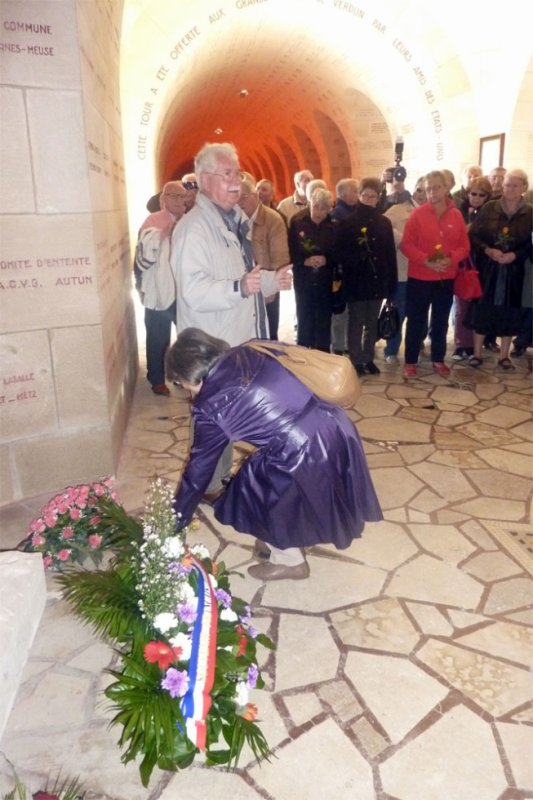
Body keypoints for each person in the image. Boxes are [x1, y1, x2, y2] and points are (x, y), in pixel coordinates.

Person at [167, 328, 383, 581]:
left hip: (303, 449)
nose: (182, 388)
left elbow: (198, 473)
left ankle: (290, 561)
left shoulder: (210, 406)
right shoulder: (249, 349)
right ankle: (278, 536)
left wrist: (175, 522)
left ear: (187, 374)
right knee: (276, 485)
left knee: (253, 488)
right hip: (334, 424)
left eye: (179, 383)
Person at [171, 142, 292, 495]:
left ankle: (218, 479)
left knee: (228, 417)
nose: (237, 183)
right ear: (205, 179)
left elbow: (242, 276)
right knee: (211, 422)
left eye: (237, 174)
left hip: (235, 340)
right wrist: (240, 287)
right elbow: (193, 290)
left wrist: (272, 280)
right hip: (212, 345)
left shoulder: (234, 222)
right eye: (228, 175)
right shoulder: (193, 229)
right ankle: (206, 486)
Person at [401, 170, 470, 378]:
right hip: (420, 277)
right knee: (416, 320)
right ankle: (410, 360)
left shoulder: (456, 215)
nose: (432, 192)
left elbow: (464, 247)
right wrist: (426, 261)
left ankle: (438, 359)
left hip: (445, 277)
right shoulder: (417, 215)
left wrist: (451, 258)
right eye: (428, 189)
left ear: (446, 188)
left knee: (440, 321)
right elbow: (406, 245)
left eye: (436, 187)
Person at [466, 169, 532, 370]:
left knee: (509, 311)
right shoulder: (489, 208)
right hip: (488, 268)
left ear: (524, 188)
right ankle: (477, 354)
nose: (510, 189)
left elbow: (531, 244)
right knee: (482, 309)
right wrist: (488, 250)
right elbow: (474, 236)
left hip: (514, 271)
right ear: (502, 187)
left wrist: (515, 255)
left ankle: (504, 356)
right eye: (507, 185)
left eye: (515, 185)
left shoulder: (530, 213)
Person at [335, 177, 397, 376]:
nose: (369, 199)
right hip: (357, 280)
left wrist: (391, 284)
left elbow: (389, 254)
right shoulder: (348, 222)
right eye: (365, 195)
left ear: (378, 198)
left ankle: (368, 357)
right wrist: (358, 257)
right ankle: (356, 359)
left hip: (377, 280)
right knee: (356, 321)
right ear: (359, 195)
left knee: (372, 322)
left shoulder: (384, 222)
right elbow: (340, 253)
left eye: (373, 196)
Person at [135, 180, 189, 395]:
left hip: (186, 290)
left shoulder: (190, 220)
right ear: (163, 199)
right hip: (160, 290)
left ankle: (184, 375)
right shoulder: (153, 220)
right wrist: (162, 234)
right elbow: (143, 258)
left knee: (187, 335)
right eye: (173, 196)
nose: (179, 201)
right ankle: (156, 378)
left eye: (182, 196)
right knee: (158, 337)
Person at [238, 176, 291, 340]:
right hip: (245, 283)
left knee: (268, 332)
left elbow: (280, 255)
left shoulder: (272, 219)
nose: (239, 202)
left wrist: (272, 286)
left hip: (267, 283)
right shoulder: (235, 218)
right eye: (236, 197)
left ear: (255, 196)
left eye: (244, 197)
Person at [288, 187, 337, 352]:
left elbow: (340, 253)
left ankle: (322, 354)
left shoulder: (333, 225)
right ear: (310, 203)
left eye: (324, 209)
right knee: (304, 316)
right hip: (304, 278)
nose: (319, 212)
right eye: (316, 206)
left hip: (325, 279)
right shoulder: (297, 222)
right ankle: (303, 352)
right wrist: (304, 261)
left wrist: (327, 259)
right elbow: (290, 251)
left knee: (324, 318)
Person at [452, 176, 492, 361]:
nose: (476, 197)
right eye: (472, 193)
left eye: (481, 195)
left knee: (477, 307)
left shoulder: (490, 214)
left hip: (483, 264)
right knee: (461, 307)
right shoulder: (459, 211)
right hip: (463, 264)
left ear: (487, 197)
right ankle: (461, 344)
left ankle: (474, 345)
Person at [330, 179, 360, 354]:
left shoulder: (354, 212)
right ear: (343, 194)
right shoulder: (338, 215)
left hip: (352, 270)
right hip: (342, 271)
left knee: (350, 309)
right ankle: (339, 344)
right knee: (340, 309)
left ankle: (347, 341)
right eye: (354, 191)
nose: (357, 194)